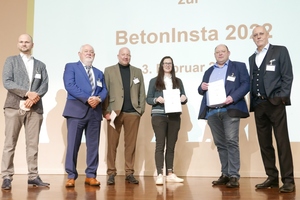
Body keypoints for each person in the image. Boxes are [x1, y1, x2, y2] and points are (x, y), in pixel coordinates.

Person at [249, 25, 295, 193]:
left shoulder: (280, 51)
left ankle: (288, 180)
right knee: (265, 143)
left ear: (267, 35)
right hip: (258, 104)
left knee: (282, 142)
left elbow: (287, 75)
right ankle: (272, 177)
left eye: (261, 33)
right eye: (255, 35)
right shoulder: (251, 57)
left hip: (275, 103)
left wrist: (281, 98)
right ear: (253, 38)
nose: (259, 36)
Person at [1, 34, 50, 190]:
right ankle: (6, 176)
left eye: (27, 42)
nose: (24, 44)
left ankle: (33, 176)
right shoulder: (11, 61)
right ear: (18, 44)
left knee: (32, 144)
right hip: (14, 107)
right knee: (10, 143)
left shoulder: (40, 65)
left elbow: (44, 85)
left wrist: (34, 97)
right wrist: (26, 93)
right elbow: (7, 81)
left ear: (32, 44)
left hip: (35, 109)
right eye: (21, 41)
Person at [198, 44, 250, 188]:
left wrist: (233, 97)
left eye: (223, 51)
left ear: (228, 52)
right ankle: (225, 173)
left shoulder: (238, 66)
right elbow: (201, 89)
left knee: (231, 141)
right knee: (221, 144)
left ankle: (234, 175)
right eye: (217, 52)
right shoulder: (209, 71)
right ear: (214, 55)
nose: (220, 54)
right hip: (213, 112)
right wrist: (201, 87)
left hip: (230, 109)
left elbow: (246, 85)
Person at [63, 44, 107, 188]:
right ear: (79, 54)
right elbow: (70, 85)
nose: (89, 54)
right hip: (76, 111)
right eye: (86, 51)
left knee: (93, 146)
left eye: (91, 52)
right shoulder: (71, 67)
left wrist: (98, 99)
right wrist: (88, 98)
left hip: (94, 113)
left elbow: (104, 90)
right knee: (73, 145)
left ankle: (91, 175)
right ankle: (71, 176)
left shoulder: (99, 72)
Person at [102, 47, 146, 185]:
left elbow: (142, 93)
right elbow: (105, 92)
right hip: (114, 112)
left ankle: (129, 173)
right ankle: (111, 173)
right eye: (123, 54)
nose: (126, 57)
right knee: (112, 144)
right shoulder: (109, 71)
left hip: (133, 113)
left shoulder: (137, 72)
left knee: (130, 145)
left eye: (128, 55)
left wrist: (140, 110)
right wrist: (106, 111)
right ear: (118, 56)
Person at [146, 56, 187, 185]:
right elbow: (148, 99)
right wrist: (156, 100)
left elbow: (184, 98)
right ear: (161, 65)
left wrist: (184, 98)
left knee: (171, 146)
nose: (168, 65)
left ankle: (170, 173)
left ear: (172, 65)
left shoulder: (178, 81)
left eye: (170, 63)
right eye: (165, 63)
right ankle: (159, 174)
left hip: (174, 116)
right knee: (160, 145)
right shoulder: (154, 81)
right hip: (159, 116)